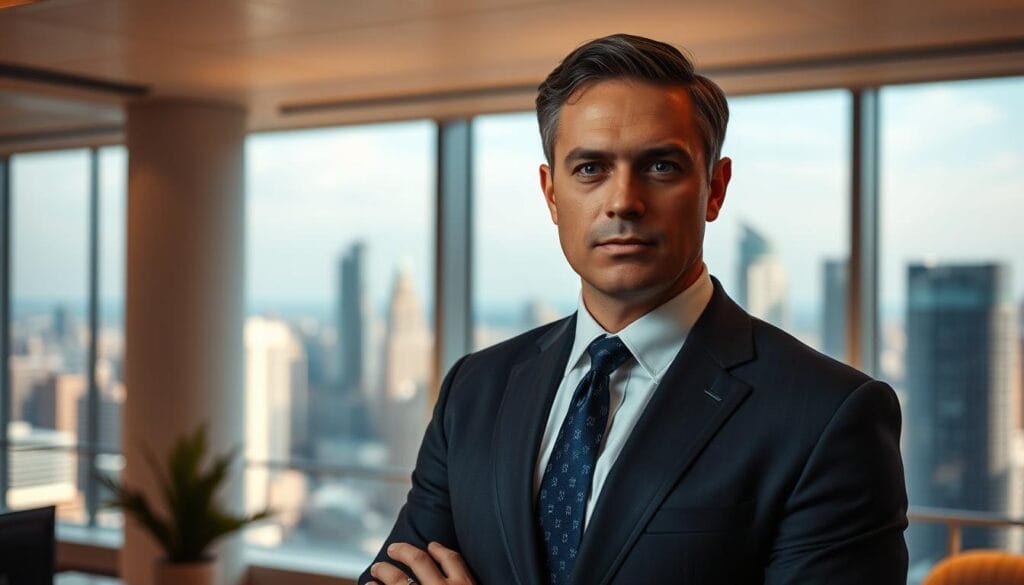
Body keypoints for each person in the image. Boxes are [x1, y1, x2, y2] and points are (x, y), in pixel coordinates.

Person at [361, 33, 908, 585]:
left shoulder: (827, 417)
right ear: (552, 194)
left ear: (714, 189)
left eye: (662, 167)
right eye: (591, 169)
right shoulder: (476, 389)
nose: (624, 201)